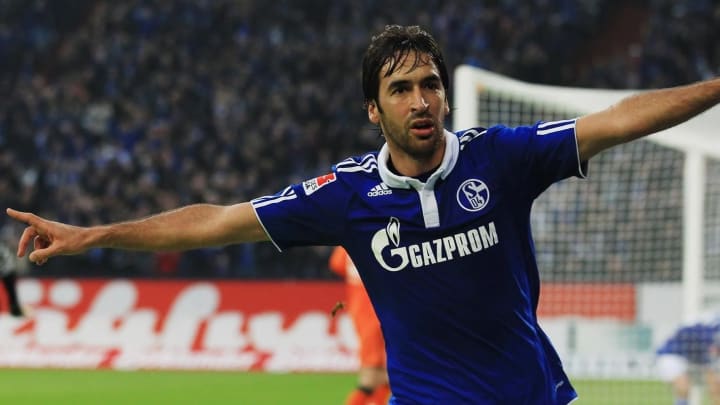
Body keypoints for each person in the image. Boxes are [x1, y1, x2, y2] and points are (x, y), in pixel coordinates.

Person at [5, 24, 720, 403]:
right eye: (401, 89)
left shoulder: (500, 157)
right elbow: (216, 220)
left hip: (531, 394)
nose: (421, 100)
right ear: (373, 109)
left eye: (430, 84)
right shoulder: (344, 195)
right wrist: (93, 235)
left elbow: (617, 120)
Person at [329, 246, 390, 405]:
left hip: (362, 311)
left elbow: (336, 264)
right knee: (371, 377)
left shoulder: (348, 243)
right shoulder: (378, 243)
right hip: (376, 314)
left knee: (387, 375)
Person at [656, 317, 720, 405]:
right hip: (674, 356)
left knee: (715, 386)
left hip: (695, 360)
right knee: (683, 388)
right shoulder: (707, 331)